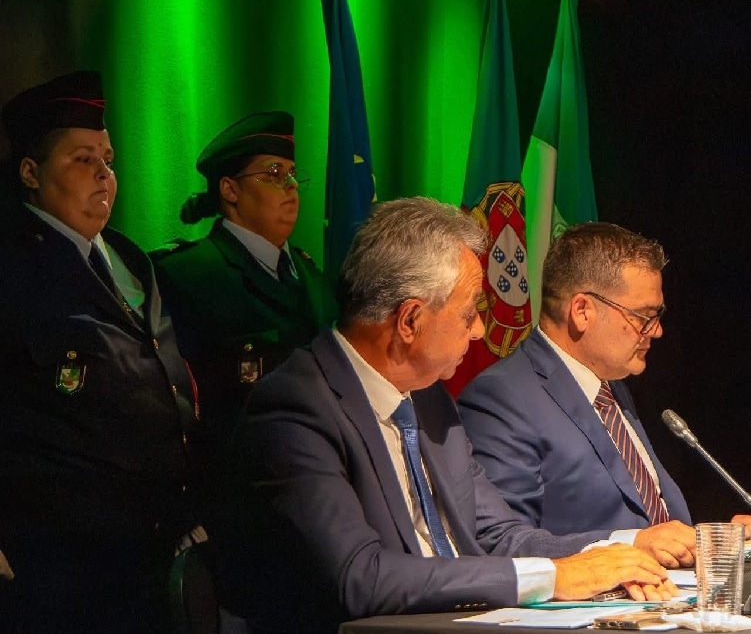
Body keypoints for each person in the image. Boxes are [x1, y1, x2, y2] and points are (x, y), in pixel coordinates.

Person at [214, 199, 675, 634]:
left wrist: (622, 552)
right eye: (469, 313)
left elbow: (498, 535)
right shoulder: (296, 407)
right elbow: (360, 577)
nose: (479, 331)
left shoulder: (429, 398)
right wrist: (553, 578)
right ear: (410, 321)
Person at [0, 71, 200, 632]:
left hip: (156, 550)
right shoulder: (12, 269)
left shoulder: (131, 259)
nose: (104, 175)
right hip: (61, 565)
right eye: (83, 159)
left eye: (108, 160)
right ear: (31, 172)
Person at [459, 222, 713, 569]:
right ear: (582, 311)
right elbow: (501, 543)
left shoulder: (610, 384)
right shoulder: (501, 398)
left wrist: (719, 539)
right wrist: (630, 545)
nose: (656, 331)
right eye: (644, 316)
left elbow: (655, 522)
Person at [153, 111, 337, 445]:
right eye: (274, 173)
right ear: (230, 189)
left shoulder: (310, 274)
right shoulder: (187, 275)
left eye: (292, 173)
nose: (292, 185)